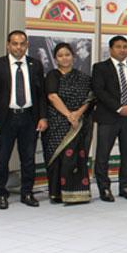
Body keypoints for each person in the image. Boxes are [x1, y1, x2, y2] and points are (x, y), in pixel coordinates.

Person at [0, 30, 48, 209]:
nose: (18, 47)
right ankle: (0, 193)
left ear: (27, 45)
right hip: (5, 119)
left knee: (28, 158)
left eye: (22, 44)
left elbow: (41, 94)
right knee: (2, 159)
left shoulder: (35, 64)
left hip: (29, 118)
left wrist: (43, 117)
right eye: (14, 43)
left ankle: (27, 192)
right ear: (8, 45)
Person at [92, 35, 127, 202]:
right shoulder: (100, 67)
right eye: (118, 47)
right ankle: (104, 188)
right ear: (111, 49)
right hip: (109, 117)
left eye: (125, 47)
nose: (122, 50)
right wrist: (119, 107)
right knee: (103, 155)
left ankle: (125, 187)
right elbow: (99, 91)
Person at [42, 43, 94, 204]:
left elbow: (90, 98)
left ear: (73, 57)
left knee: (76, 157)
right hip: (57, 122)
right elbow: (52, 97)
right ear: (55, 59)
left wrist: (77, 114)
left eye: (67, 55)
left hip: (78, 122)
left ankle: (77, 193)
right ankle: (57, 194)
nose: (64, 58)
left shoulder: (84, 78)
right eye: (60, 56)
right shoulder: (52, 75)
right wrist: (69, 115)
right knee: (59, 158)